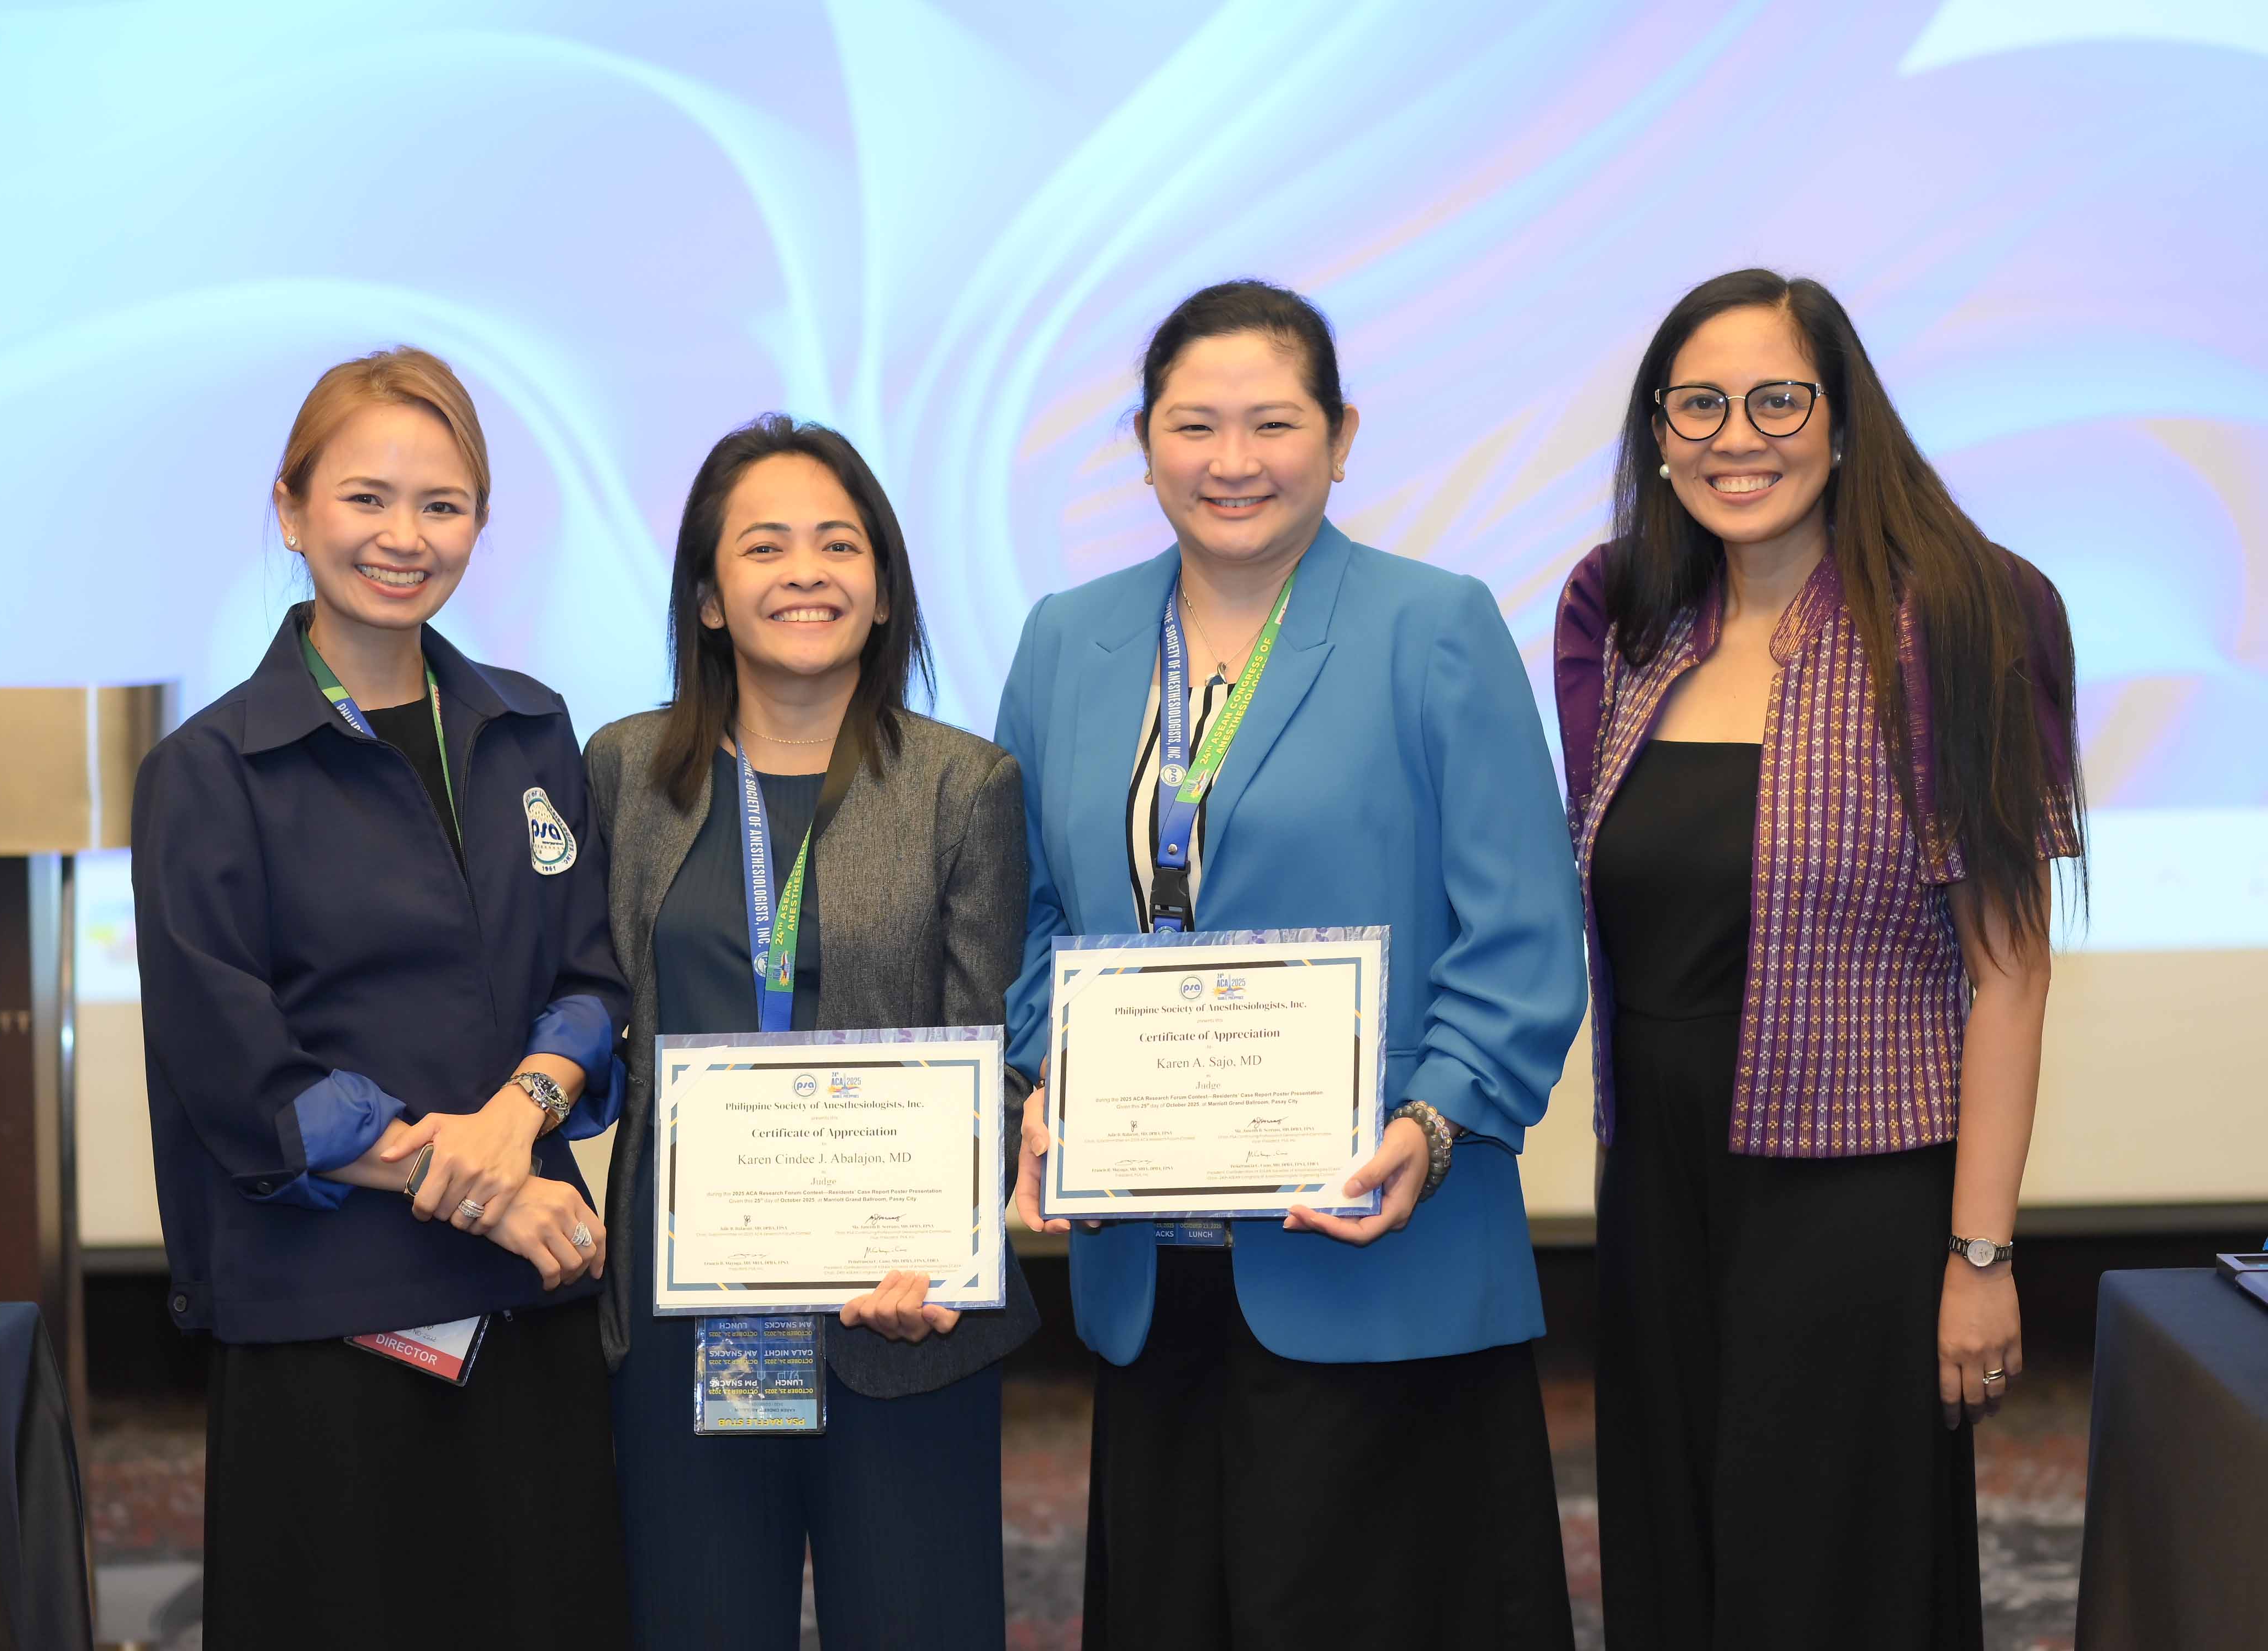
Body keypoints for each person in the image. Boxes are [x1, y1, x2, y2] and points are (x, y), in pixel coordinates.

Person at [998, 279, 1587, 1649]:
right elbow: (1027, 915)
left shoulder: (1433, 626)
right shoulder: (1068, 640)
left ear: (1342, 435)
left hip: (1377, 1248)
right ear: (1143, 444)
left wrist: (1433, 1123)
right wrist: (1047, 1081)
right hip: (1151, 1266)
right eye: (1194, 425)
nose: (1234, 460)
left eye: (1273, 423)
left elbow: (1521, 931)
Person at [1555, 268, 2086, 1649]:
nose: (1738, 438)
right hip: (1658, 1191)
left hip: (1860, 1210)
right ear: (1658, 436)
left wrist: (1980, 1256)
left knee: (1829, 1587)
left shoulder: (1961, 618)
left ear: (1843, 422)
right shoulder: (1629, 623)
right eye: (1699, 406)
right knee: (1676, 1564)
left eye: (1778, 401)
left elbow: (2010, 973)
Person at [131, 347, 630, 1646]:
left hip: (532, 1303)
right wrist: (483, 1186)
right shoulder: (210, 770)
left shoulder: (531, 730)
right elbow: (241, 1074)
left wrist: (517, 1122)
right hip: (328, 1318)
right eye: (366, 498)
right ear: (292, 510)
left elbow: (590, 982)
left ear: (479, 524)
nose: (404, 537)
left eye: (442, 504)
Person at [587, 414, 1035, 1648]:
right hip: (683, 1316)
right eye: (765, 545)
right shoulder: (625, 771)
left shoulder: (964, 786)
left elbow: (994, 1051)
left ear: (883, 592)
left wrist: (944, 1253)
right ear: (709, 597)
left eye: (840, 545)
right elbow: (589, 1004)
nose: (806, 572)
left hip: (900, 1313)